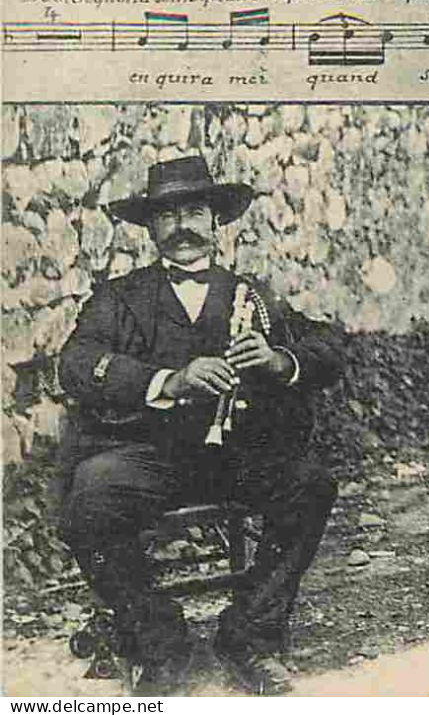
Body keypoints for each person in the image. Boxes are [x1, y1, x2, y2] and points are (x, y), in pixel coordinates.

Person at [57, 155, 343, 696]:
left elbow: (328, 348)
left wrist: (278, 359)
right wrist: (168, 380)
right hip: (152, 456)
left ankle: (250, 636)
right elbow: (77, 363)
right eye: (167, 215)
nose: (182, 226)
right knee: (89, 497)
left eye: (193, 212)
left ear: (215, 221)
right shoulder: (120, 298)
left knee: (311, 485)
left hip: (239, 457)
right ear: (151, 227)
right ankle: (159, 639)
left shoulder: (253, 295)